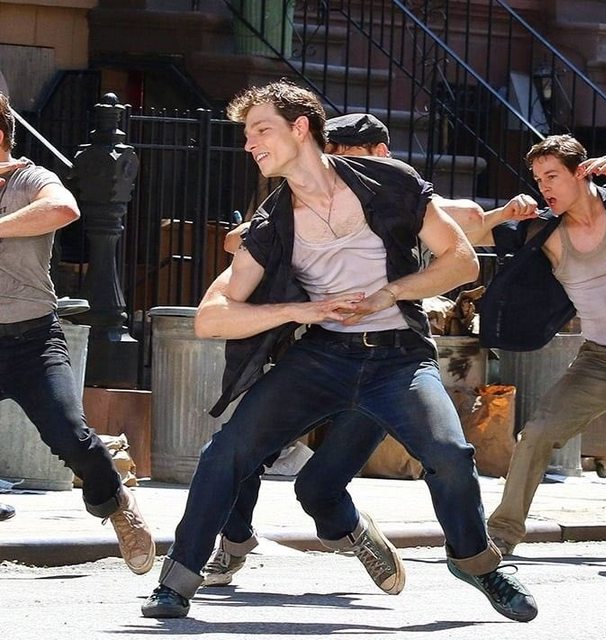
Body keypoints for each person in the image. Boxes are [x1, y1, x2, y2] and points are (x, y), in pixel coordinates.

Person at [141, 80, 537, 623]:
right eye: (247, 134)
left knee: (449, 454)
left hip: (399, 358)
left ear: (300, 127)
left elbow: (462, 260)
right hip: (323, 357)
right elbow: (212, 317)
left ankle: (476, 563)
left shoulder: (389, 182)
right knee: (226, 452)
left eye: (261, 130)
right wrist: (300, 311)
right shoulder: (272, 223)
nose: (250, 144)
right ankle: (178, 579)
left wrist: (390, 293)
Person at [206, 111, 486, 589]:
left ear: (380, 155)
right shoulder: (302, 195)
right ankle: (232, 543)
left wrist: (495, 217)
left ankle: (355, 531)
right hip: (318, 352)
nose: (336, 167)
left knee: (318, 486)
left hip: (389, 362)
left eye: (347, 156)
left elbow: (470, 227)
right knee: (239, 450)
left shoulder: (399, 193)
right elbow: (238, 240)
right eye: (330, 155)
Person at [0, 92, 155, 573]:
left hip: (31, 342)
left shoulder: (30, 179)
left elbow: (63, 209)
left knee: (71, 437)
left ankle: (115, 503)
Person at [472, 134, 606, 566]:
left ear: (581, 172)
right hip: (600, 360)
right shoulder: (539, 230)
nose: (544, 187)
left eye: (552, 176)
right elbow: (460, 234)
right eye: (538, 179)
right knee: (537, 433)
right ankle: (500, 537)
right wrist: (504, 213)